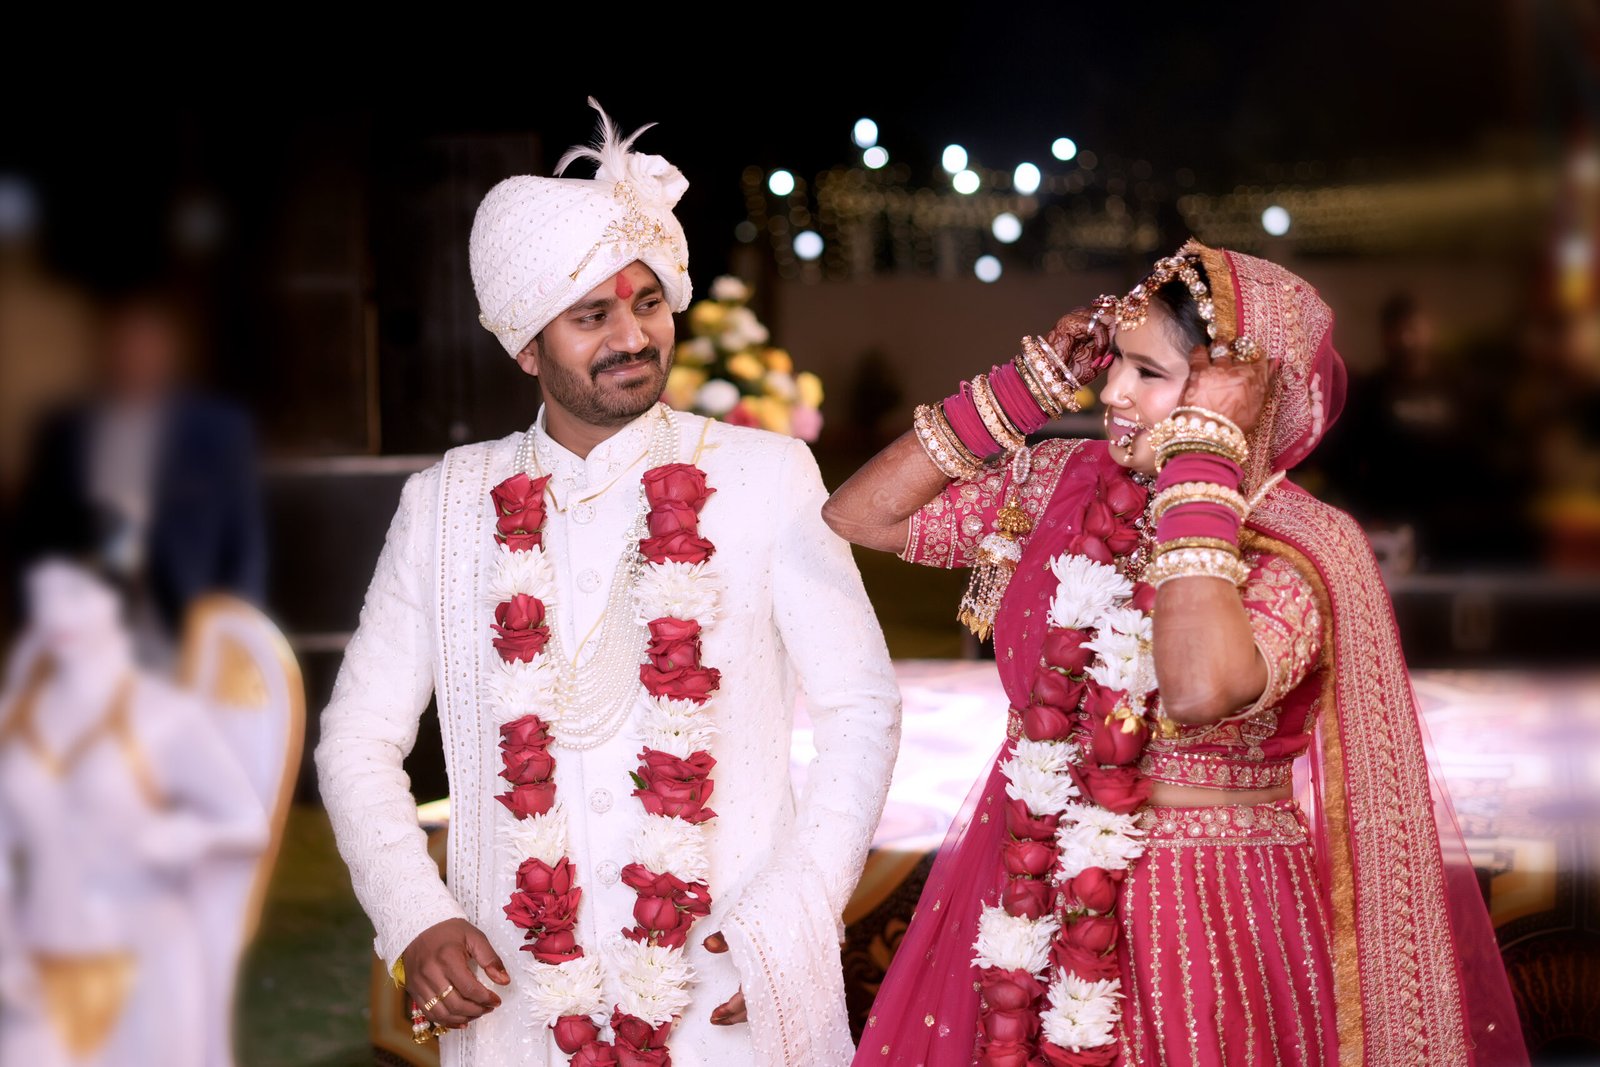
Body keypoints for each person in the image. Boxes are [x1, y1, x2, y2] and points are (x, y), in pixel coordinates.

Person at [823, 241, 1526, 1066]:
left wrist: (1203, 456)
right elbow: (861, 514)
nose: (1112, 392)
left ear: (1239, 396)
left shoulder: (1297, 547)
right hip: (1029, 874)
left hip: (1209, 916)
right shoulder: (1060, 483)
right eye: (1116, 362)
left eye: (1149, 373)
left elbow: (1197, 687)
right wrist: (1027, 384)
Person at [314, 99, 900, 1067]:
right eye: (592, 316)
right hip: (519, 998)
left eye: (648, 303)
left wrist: (794, 915)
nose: (633, 335)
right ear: (525, 346)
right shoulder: (446, 505)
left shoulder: (766, 477)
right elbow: (357, 739)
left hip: (726, 985)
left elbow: (861, 705)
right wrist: (414, 912)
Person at [0, 560, 268, 1067]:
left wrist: (189, 835)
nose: (56, 613)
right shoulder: (14, 718)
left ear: (117, 599)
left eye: (75, 593)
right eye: (42, 597)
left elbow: (249, 821)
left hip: (146, 963)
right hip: (40, 961)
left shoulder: (166, 716)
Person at [11, 292, 266, 666]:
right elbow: (35, 542)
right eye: (125, 342)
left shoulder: (217, 431)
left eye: (148, 343)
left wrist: (237, 641)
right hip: (84, 634)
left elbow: (245, 545)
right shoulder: (66, 432)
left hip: (182, 629)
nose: (136, 355)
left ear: (170, 349)